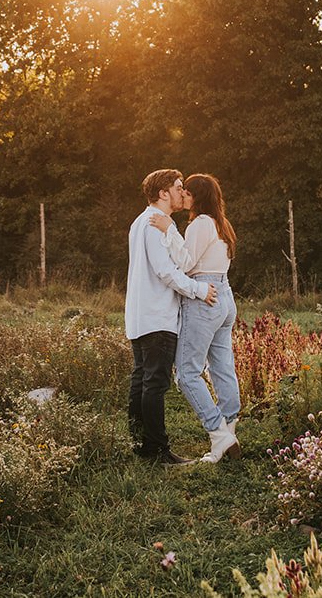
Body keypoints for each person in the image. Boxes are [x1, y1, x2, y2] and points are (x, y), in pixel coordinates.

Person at [125, 169, 218, 465]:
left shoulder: (139, 222)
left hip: (140, 315)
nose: (182, 192)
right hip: (157, 315)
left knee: (142, 380)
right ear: (163, 193)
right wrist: (199, 290)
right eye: (178, 187)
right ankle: (157, 451)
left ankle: (141, 444)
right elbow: (165, 271)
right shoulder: (153, 224)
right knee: (155, 383)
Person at [153, 172, 241, 463]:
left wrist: (169, 230)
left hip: (206, 297)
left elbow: (186, 263)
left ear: (197, 197)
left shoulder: (200, 224)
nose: (183, 195)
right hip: (225, 296)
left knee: (187, 373)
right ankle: (229, 429)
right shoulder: (221, 223)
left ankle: (219, 435)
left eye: (187, 192)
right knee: (222, 367)